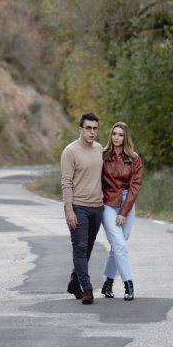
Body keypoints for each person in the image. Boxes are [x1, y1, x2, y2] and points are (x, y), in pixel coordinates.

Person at [61, 112, 104, 305]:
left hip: (97, 207)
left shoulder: (99, 149)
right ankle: (87, 289)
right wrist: (69, 210)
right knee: (79, 248)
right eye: (88, 128)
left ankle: (73, 282)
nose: (92, 132)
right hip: (78, 207)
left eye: (95, 128)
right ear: (80, 129)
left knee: (87, 249)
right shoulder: (70, 151)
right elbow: (66, 182)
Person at [100, 121, 143, 301]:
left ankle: (108, 283)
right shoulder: (102, 155)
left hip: (127, 203)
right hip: (108, 202)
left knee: (118, 246)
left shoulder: (134, 158)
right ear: (110, 136)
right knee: (120, 245)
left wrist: (124, 211)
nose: (116, 137)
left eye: (120, 134)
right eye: (114, 134)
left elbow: (135, 186)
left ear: (125, 137)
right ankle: (129, 284)